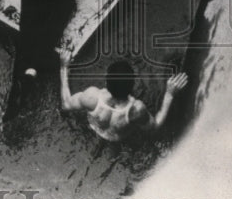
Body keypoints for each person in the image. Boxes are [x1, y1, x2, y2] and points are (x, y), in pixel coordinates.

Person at [57, 49, 188, 141]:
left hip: (94, 129)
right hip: (117, 138)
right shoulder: (136, 109)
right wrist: (169, 94)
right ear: (133, 84)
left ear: (106, 80)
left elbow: (65, 104)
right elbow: (155, 128)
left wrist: (64, 67)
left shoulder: (91, 96)